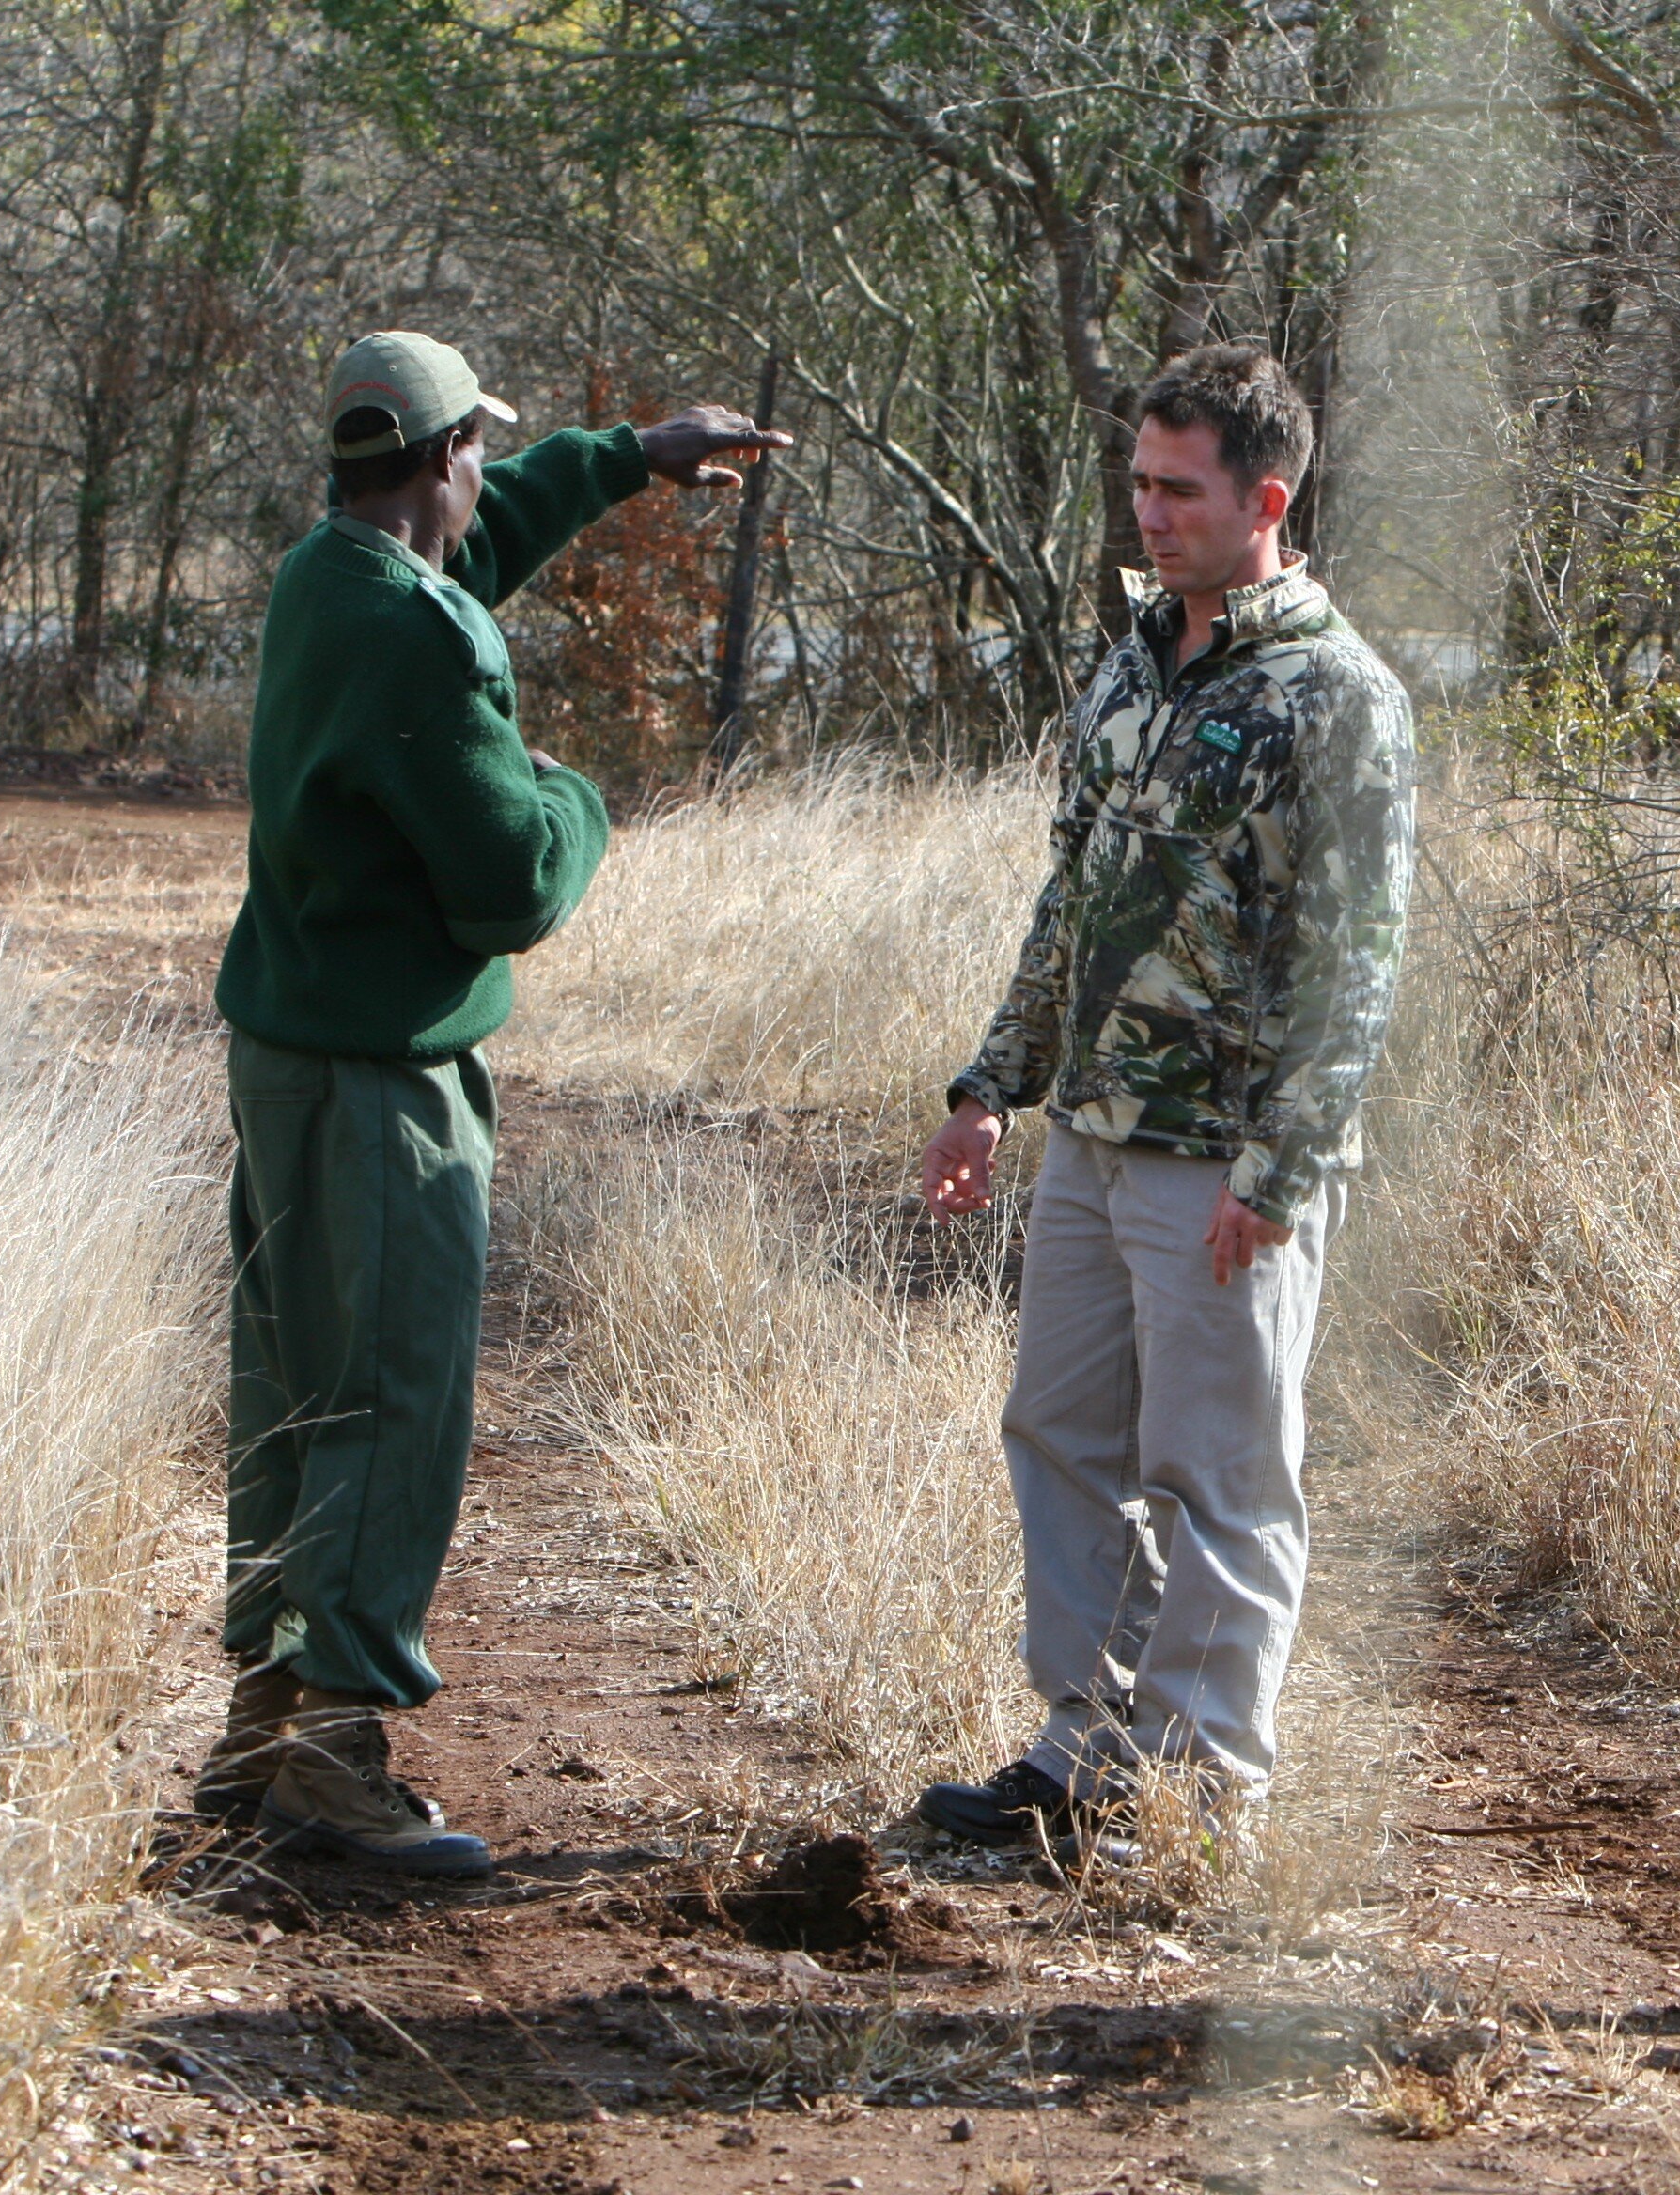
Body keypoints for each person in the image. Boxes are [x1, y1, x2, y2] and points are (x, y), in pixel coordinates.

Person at [190, 331, 786, 1875]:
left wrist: (625, 457)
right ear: (445, 455)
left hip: (289, 1060)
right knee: (394, 1401)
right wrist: (572, 796)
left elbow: (478, 540)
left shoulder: (324, 576)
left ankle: (265, 1723)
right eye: (480, 455)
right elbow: (513, 878)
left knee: (300, 1386)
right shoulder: (416, 640)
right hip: (384, 1081)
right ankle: (335, 1756)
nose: (485, 481)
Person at [911, 341, 1413, 1853]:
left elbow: (1360, 960)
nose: (1148, 512)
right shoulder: (1131, 662)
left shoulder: (1340, 696)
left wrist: (1285, 1162)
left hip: (1228, 1160)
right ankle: (1085, 1749)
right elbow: (1072, 902)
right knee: (1059, 1434)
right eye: (1137, 481)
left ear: (1267, 497)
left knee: (1220, 1476)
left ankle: (1203, 1794)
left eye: (1178, 489)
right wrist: (993, 1089)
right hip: (1094, 1136)